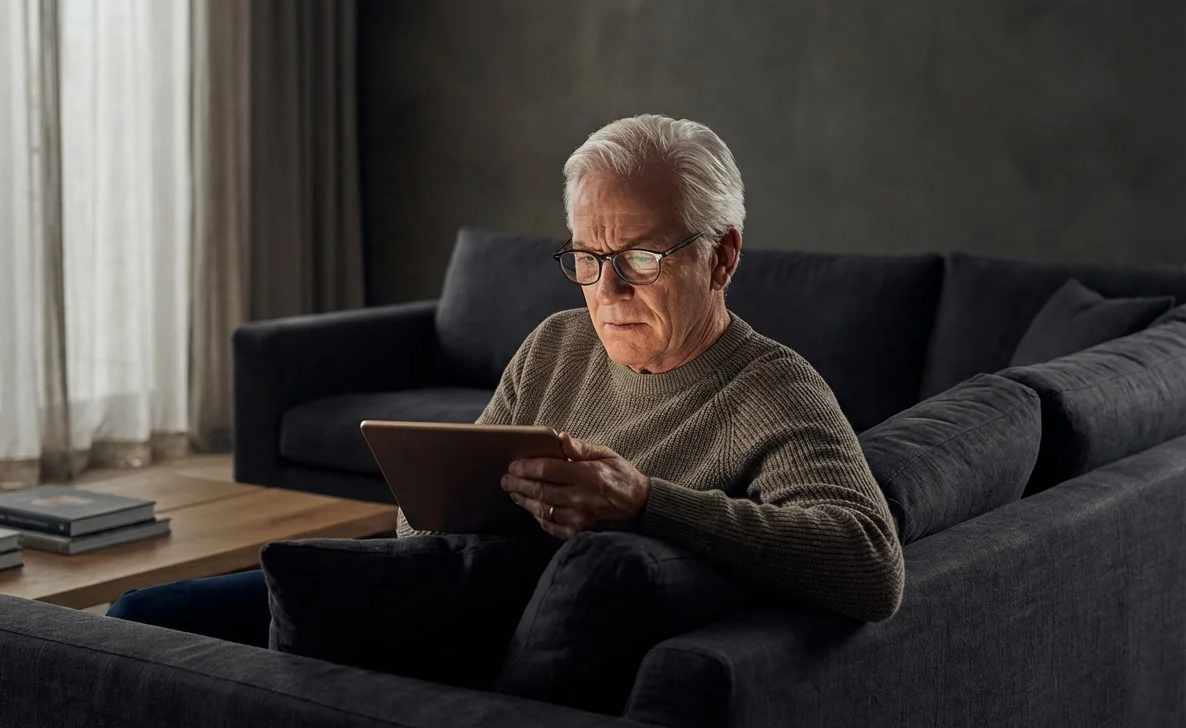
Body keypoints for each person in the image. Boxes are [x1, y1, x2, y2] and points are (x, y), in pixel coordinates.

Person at [107, 114, 905, 643]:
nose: (607, 290)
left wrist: (645, 503)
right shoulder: (558, 343)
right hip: (437, 603)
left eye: (641, 257)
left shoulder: (772, 391)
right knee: (137, 617)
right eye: (587, 258)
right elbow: (419, 530)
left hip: (490, 642)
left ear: (723, 255)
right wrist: (438, 513)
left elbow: (871, 565)